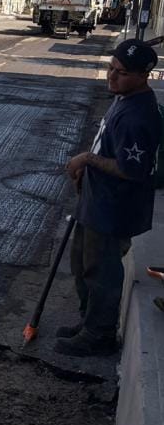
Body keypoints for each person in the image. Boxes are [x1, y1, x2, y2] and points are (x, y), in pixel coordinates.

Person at [59, 39, 161, 357]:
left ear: (144, 75)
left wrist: (88, 160)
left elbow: (133, 171)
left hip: (113, 208)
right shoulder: (124, 97)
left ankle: (99, 334)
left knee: (101, 272)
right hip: (97, 201)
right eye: (111, 68)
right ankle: (89, 321)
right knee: (83, 265)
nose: (112, 77)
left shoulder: (138, 116)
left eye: (122, 73)